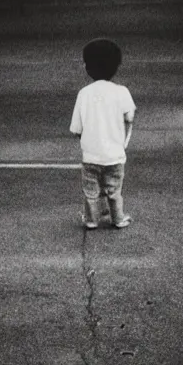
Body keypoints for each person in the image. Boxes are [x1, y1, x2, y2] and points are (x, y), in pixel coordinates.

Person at [70, 39, 136, 229]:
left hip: (91, 155)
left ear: (87, 67)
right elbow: (130, 116)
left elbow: (76, 128)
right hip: (115, 155)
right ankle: (118, 218)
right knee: (114, 190)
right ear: (116, 66)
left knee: (91, 190)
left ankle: (91, 220)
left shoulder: (84, 93)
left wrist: (88, 140)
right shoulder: (122, 92)